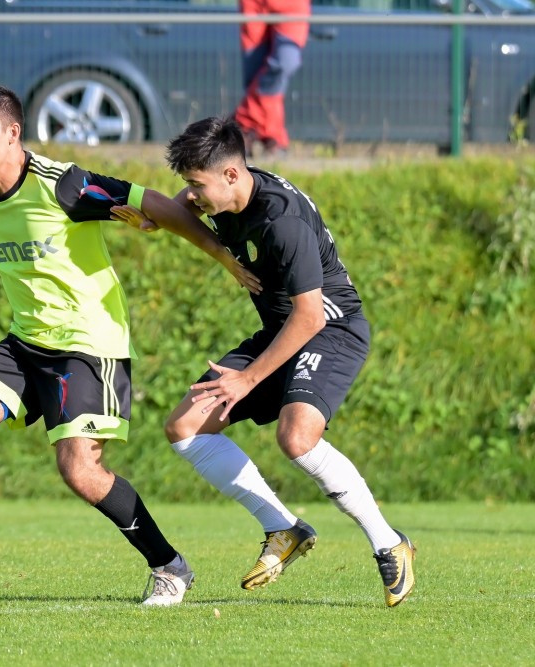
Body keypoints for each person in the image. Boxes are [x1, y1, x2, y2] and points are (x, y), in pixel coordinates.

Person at [0, 85, 260, 607]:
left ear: (13, 133)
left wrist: (223, 256)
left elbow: (152, 203)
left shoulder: (62, 184)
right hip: (26, 341)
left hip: (87, 344)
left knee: (79, 470)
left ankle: (170, 566)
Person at [153, 116, 415, 607]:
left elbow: (311, 316)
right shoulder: (228, 193)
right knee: (185, 426)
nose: (192, 194)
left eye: (197, 183)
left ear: (231, 174)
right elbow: (180, 206)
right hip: (282, 330)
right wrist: (212, 248)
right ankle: (283, 528)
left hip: (329, 329)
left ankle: (389, 543)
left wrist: (247, 380)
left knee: (296, 437)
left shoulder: (282, 222)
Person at [234, 0, 310, 157]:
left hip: (291, 4)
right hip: (253, 4)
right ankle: (272, 139)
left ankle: (243, 123)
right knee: (255, 74)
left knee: (285, 62)